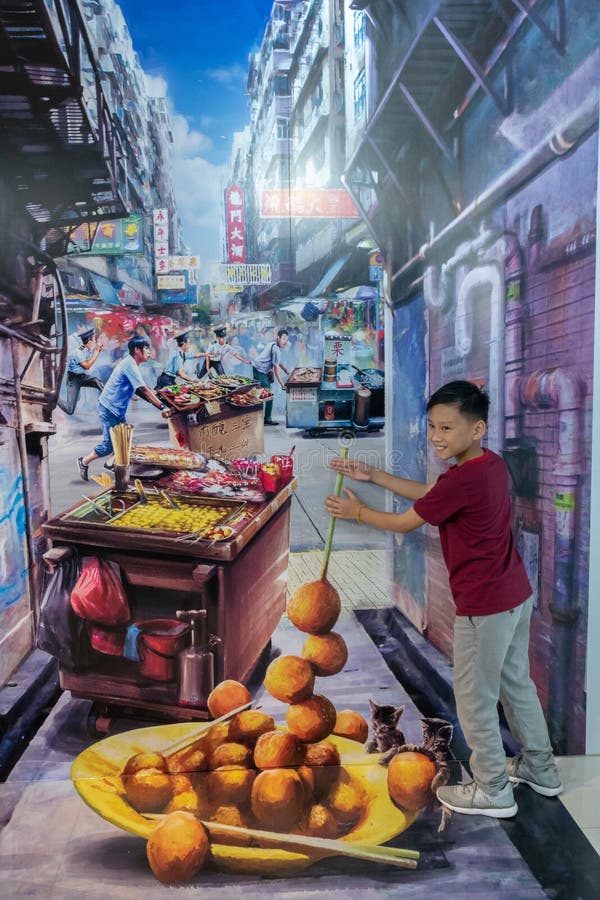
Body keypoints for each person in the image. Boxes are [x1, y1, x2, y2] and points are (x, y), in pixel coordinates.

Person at [325, 379, 562, 819]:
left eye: (447, 428)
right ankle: (540, 769)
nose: (437, 436)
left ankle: (492, 789)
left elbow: (402, 524)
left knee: (474, 699)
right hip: (514, 595)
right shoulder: (488, 466)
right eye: (433, 426)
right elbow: (434, 498)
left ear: (477, 430)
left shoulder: (463, 478)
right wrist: (374, 475)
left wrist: (357, 512)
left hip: (485, 606)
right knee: (517, 687)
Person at [77, 335, 170, 481]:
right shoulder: (130, 364)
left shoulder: (131, 363)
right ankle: (84, 462)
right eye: (145, 348)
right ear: (136, 350)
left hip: (115, 408)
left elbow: (140, 390)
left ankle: (109, 464)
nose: (148, 351)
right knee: (110, 444)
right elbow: (143, 389)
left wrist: (157, 402)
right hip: (109, 408)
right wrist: (162, 406)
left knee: (124, 439)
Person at [57, 328, 105, 415]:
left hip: (81, 376)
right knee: (70, 410)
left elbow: (90, 354)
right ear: (89, 341)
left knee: (96, 381)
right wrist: (97, 351)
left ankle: (107, 398)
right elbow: (87, 366)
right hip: (73, 380)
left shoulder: (85, 348)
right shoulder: (77, 352)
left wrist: (98, 349)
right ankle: (55, 398)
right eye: (94, 340)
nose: (95, 342)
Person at [252, 328, 289, 425]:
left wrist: (285, 370)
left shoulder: (273, 344)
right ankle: (267, 418)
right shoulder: (275, 348)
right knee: (269, 393)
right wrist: (282, 384)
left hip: (258, 368)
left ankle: (256, 417)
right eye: (283, 338)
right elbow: (276, 369)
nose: (285, 341)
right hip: (260, 370)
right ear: (278, 338)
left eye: (286, 339)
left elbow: (277, 361)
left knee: (260, 393)